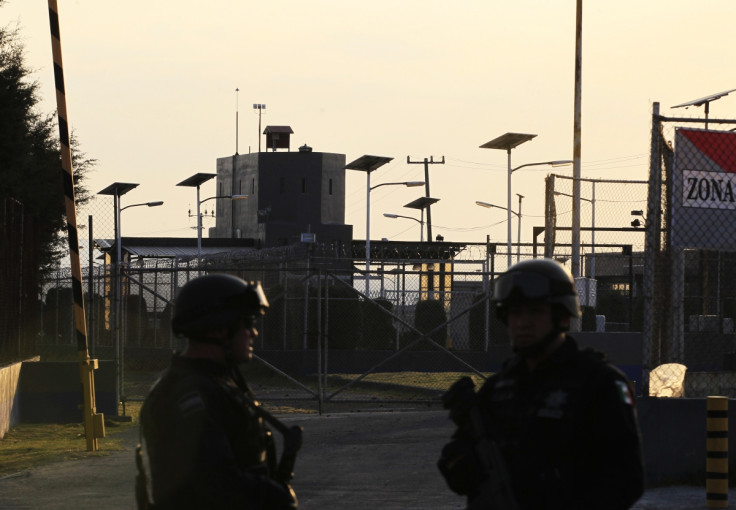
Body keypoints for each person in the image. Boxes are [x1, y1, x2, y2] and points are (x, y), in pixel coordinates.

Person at [438, 258, 644, 510]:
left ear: (562, 318)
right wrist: (460, 459)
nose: (523, 322)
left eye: (535, 311)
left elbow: (626, 480)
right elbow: (461, 473)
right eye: (515, 312)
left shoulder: (598, 383)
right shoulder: (498, 389)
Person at [140, 274, 298, 510]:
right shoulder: (191, 396)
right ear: (217, 330)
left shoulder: (213, 383)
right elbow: (217, 482)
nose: (253, 333)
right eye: (247, 323)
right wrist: (274, 497)